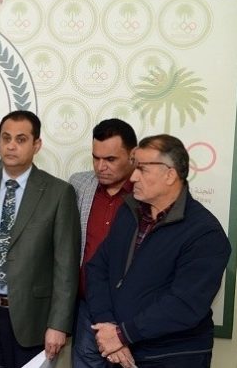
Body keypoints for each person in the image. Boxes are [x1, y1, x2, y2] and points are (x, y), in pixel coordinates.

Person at [86, 134, 231, 368]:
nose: (133, 177)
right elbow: (97, 268)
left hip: (172, 357)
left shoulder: (205, 233)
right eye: (134, 167)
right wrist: (107, 325)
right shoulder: (128, 211)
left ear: (170, 175)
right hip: (119, 350)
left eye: (142, 169)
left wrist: (123, 334)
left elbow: (184, 304)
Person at [0, 110, 80, 368]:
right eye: (6, 138)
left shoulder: (58, 193)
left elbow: (66, 267)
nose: (11, 146)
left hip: (31, 322)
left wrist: (58, 325)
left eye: (21, 139)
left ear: (36, 145)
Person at [69, 119, 137, 368]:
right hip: (87, 308)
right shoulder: (79, 185)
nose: (101, 167)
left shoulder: (146, 191)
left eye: (110, 159)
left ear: (133, 155)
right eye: (95, 158)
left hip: (132, 312)